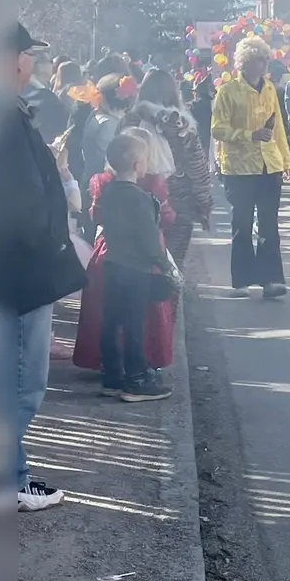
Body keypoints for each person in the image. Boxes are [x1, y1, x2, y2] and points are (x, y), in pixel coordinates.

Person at [0, 22, 86, 512]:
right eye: (30, 54)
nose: (35, 62)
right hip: (16, 271)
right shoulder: (0, 115)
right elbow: (18, 202)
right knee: (22, 381)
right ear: (12, 60)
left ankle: (7, 474)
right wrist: (50, 243)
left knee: (9, 379)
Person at [93, 132, 175, 402]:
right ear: (139, 163)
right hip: (136, 269)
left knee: (111, 320)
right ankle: (136, 379)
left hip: (114, 263)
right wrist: (165, 266)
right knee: (133, 324)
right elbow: (149, 238)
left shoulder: (108, 192)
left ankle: (113, 376)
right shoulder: (140, 198)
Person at [212, 36, 290, 299]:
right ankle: (241, 281)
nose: (265, 63)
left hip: (269, 166)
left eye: (267, 58)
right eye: (261, 59)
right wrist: (249, 135)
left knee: (269, 225)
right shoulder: (227, 91)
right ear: (246, 62)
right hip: (239, 168)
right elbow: (218, 128)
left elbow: (278, 127)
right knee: (242, 224)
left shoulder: (270, 89)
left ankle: (271, 281)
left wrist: (286, 160)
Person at [129, 68, 212, 265]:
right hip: (177, 200)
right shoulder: (183, 126)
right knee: (173, 261)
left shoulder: (131, 120)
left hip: (137, 197)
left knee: (140, 258)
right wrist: (204, 205)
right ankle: (171, 294)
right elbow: (197, 168)